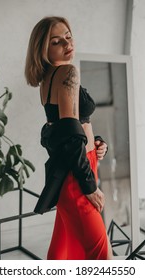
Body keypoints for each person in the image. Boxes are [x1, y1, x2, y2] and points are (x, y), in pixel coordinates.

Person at [25, 16, 113, 260]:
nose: (66, 43)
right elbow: (70, 134)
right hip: (77, 174)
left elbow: (68, 126)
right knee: (102, 258)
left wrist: (96, 142)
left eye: (68, 36)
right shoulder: (67, 72)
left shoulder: (49, 78)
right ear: (44, 49)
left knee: (62, 254)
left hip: (76, 166)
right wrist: (89, 186)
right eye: (56, 41)